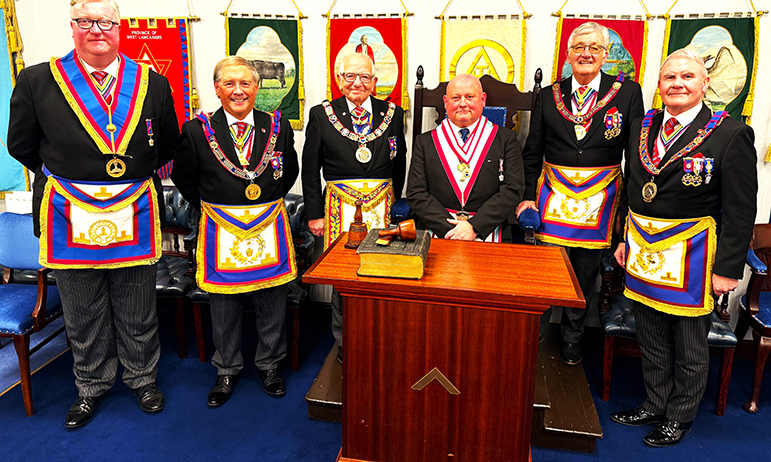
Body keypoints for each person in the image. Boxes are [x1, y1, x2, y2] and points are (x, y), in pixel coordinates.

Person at [7, 0, 179, 428]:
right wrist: (73, 177)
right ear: (72, 27)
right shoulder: (37, 80)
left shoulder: (153, 83)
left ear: (120, 27)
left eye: (105, 21)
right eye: (85, 21)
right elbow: (20, 144)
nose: (96, 29)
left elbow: (168, 144)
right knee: (83, 309)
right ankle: (91, 385)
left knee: (138, 305)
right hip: (68, 210)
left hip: (135, 208)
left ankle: (142, 378)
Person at [609, 48, 756, 447]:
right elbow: (633, 188)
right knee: (651, 337)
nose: (677, 84)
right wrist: (623, 239)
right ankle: (654, 403)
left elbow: (741, 209)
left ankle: (679, 416)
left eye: (687, 76)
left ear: (704, 84)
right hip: (643, 250)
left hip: (694, 257)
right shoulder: (642, 127)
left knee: (689, 346)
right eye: (669, 77)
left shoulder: (730, 133)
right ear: (659, 85)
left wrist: (727, 269)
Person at [172, 56, 299, 404]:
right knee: (224, 304)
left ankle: (270, 365)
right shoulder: (197, 130)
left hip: (268, 225)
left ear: (257, 88)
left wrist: (264, 203)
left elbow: (288, 172)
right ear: (217, 89)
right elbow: (184, 176)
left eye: (245, 83)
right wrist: (216, 207)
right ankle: (226, 369)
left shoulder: (278, 126)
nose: (238, 91)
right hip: (221, 228)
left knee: (272, 299)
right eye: (229, 83)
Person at [517, 22, 643, 365]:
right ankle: (536, 332)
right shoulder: (549, 95)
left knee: (586, 273)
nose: (586, 54)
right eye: (579, 47)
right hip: (553, 194)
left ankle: (572, 337)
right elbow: (533, 151)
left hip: (601, 198)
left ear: (605, 54)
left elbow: (634, 156)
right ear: (568, 54)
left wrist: (628, 209)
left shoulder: (628, 93)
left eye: (594, 47)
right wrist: (527, 196)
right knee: (546, 271)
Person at [301, 53, 406, 363]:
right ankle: (345, 342)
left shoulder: (393, 113)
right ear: (339, 79)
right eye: (350, 76)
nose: (357, 83)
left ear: (375, 82)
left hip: (382, 207)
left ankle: (380, 337)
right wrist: (314, 214)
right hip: (339, 208)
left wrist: (398, 208)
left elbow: (400, 164)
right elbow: (310, 168)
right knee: (344, 278)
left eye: (364, 77)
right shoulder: (322, 114)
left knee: (382, 271)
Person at [407, 74, 523, 241]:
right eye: (456, 98)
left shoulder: (506, 140)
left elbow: (513, 189)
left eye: (470, 97)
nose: (462, 103)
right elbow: (416, 193)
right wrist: (453, 231)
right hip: (438, 230)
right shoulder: (425, 142)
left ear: (483, 100)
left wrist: (475, 226)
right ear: (446, 102)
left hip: (489, 229)